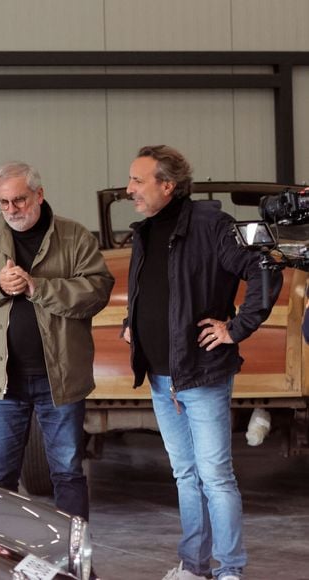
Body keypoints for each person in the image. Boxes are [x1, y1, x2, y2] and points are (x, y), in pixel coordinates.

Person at [122, 145, 283, 580]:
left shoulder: (213, 225)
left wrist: (237, 327)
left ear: (167, 185)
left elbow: (264, 268)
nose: (129, 188)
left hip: (202, 374)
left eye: (138, 180)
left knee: (215, 478)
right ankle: (195, 567)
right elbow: (151, 288)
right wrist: (131, 321)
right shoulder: (145, 231)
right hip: (160, 377)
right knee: (186, 476)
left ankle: (230, 570)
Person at [0, 161, 114, 520]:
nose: (11, 210)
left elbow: (98, 290)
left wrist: (40, 287)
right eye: (3, 203)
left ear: (39, 194)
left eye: (19, 200)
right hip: (3, 382)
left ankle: (74, 566)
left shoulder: (74, 237)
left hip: (61, 380)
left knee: (67, 473)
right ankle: (0, 561)